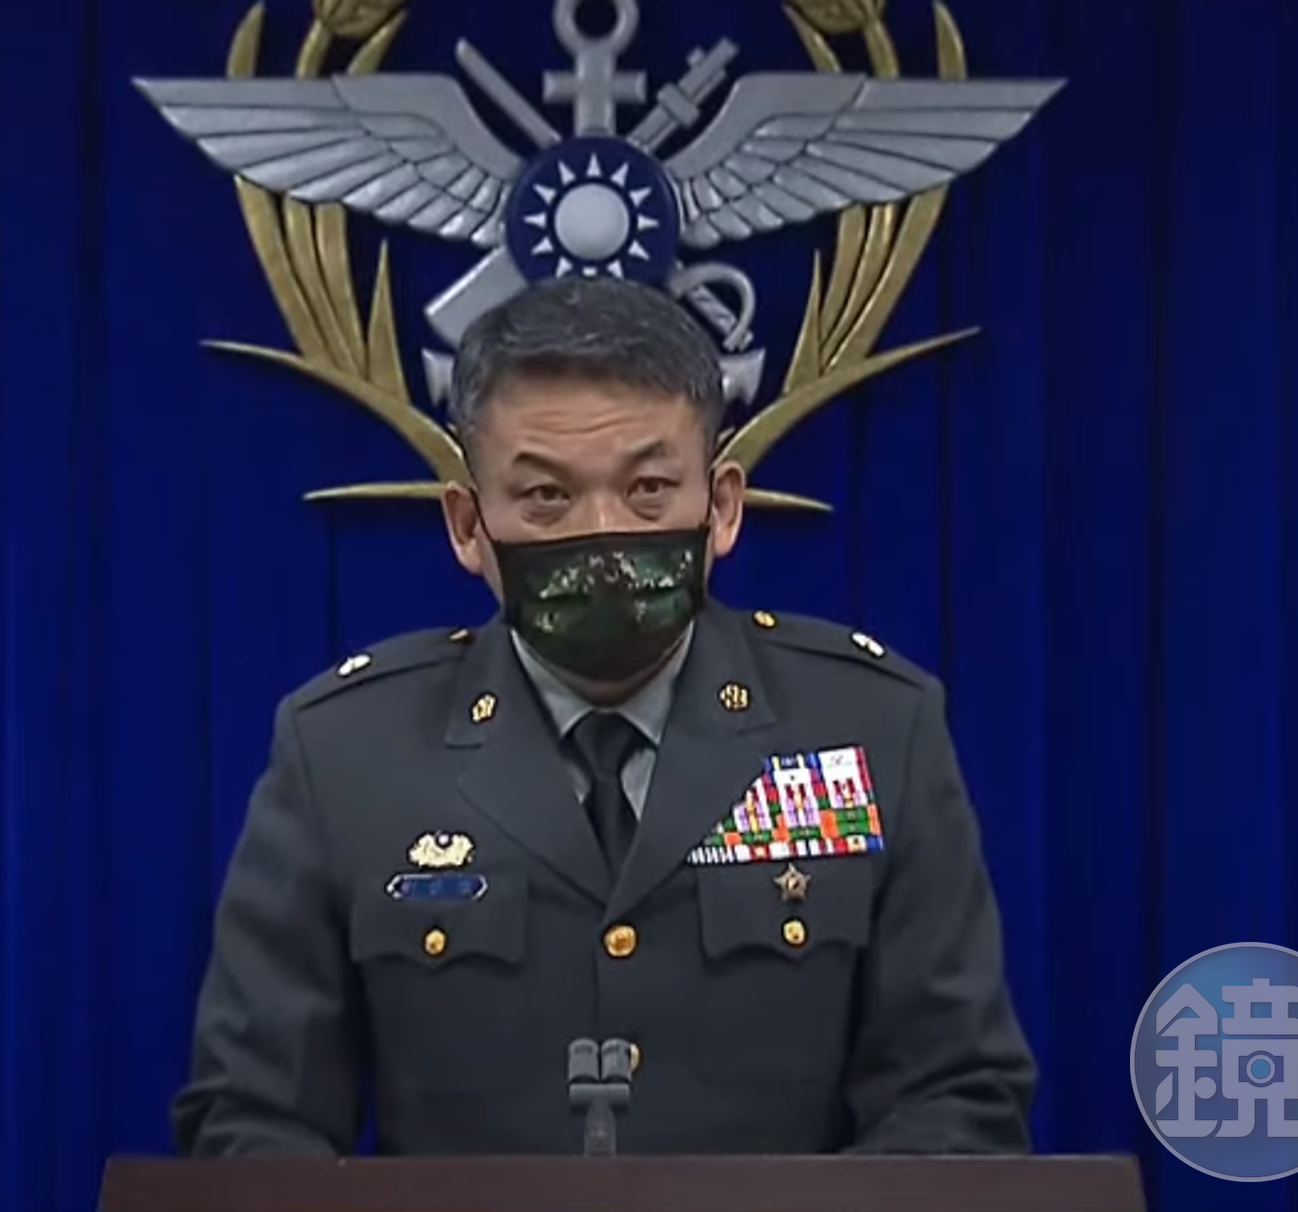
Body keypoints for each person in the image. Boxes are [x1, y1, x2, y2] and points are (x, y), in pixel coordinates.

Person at [171, 276, 1036, 1157]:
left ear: (722, 508)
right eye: (547, 497)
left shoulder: (872, 729)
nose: (604, 539)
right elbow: (252, 1119)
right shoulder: (345, 754)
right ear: (468, 525)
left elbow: (956, 1098)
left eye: (649, 489)